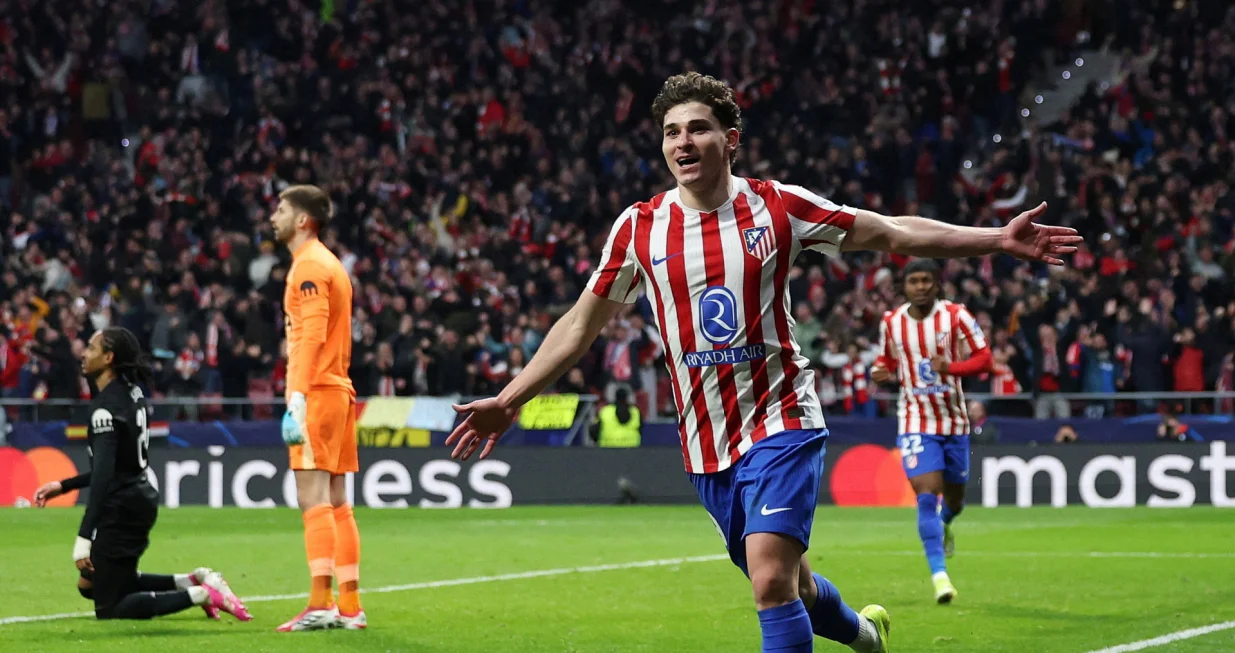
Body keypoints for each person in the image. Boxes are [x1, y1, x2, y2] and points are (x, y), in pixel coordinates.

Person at [446, 72, 1080, 653]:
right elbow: (580, 325)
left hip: (782, 419)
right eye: (671, 132)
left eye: (697, 128)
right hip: (706, 442)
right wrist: (510, 398)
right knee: (794, 586)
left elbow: (890, 231)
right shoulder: (639, 229)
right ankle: (864, 635)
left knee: (770, 583)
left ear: (731, 138)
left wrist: (996, 239)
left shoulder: (778, 207)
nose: (682, 142)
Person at [32, 327, 250, 621]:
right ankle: (192, 580)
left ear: (108, 358)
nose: (84, 354)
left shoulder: (104, 410)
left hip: (122, 507)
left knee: (109, 607)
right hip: (138, 497)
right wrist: (64, 485)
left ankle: (201, 594)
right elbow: (117, 466)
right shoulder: (131, 393)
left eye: (92, 349)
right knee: (91, 584)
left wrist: (84, 536)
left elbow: (105, 476)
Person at [271, 184, 367, 632]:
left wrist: (296, 398)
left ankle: (320, 603)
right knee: (337, 501)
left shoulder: (309, 265)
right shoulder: (332, 264)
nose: (274, 216)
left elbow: (309, 336)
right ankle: (349, 606)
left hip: (319, 392)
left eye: (281, 209)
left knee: (312, 498)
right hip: (339, 390)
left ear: (303, 220)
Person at [869, 259, 992, 604]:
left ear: (937, 284)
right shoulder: (892, 323)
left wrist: (951, 367)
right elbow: (889, 362)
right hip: (915, 421)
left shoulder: (956, 316)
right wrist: (881, 371)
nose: (921, 286)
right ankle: (941, 578)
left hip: (954, 422)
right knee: (927, 494)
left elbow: (985, 359)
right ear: (904, 287)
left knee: (954, 500)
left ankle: (947, 523)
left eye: (927, 280)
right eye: (914, 281)